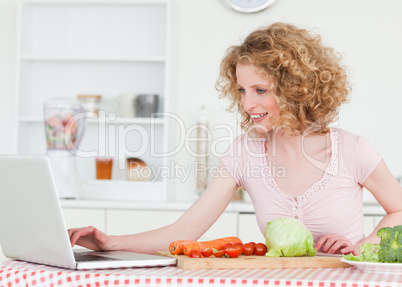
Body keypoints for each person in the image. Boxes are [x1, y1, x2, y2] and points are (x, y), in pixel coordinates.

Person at [69, 22, 402, 255]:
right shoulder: (244, 154)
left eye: (260, 90)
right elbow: (185, 231)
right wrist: (110, 242)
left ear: (297, 90)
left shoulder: (352, 150)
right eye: (242, 90)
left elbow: (399, 211)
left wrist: (363, 246)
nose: (247, 104)